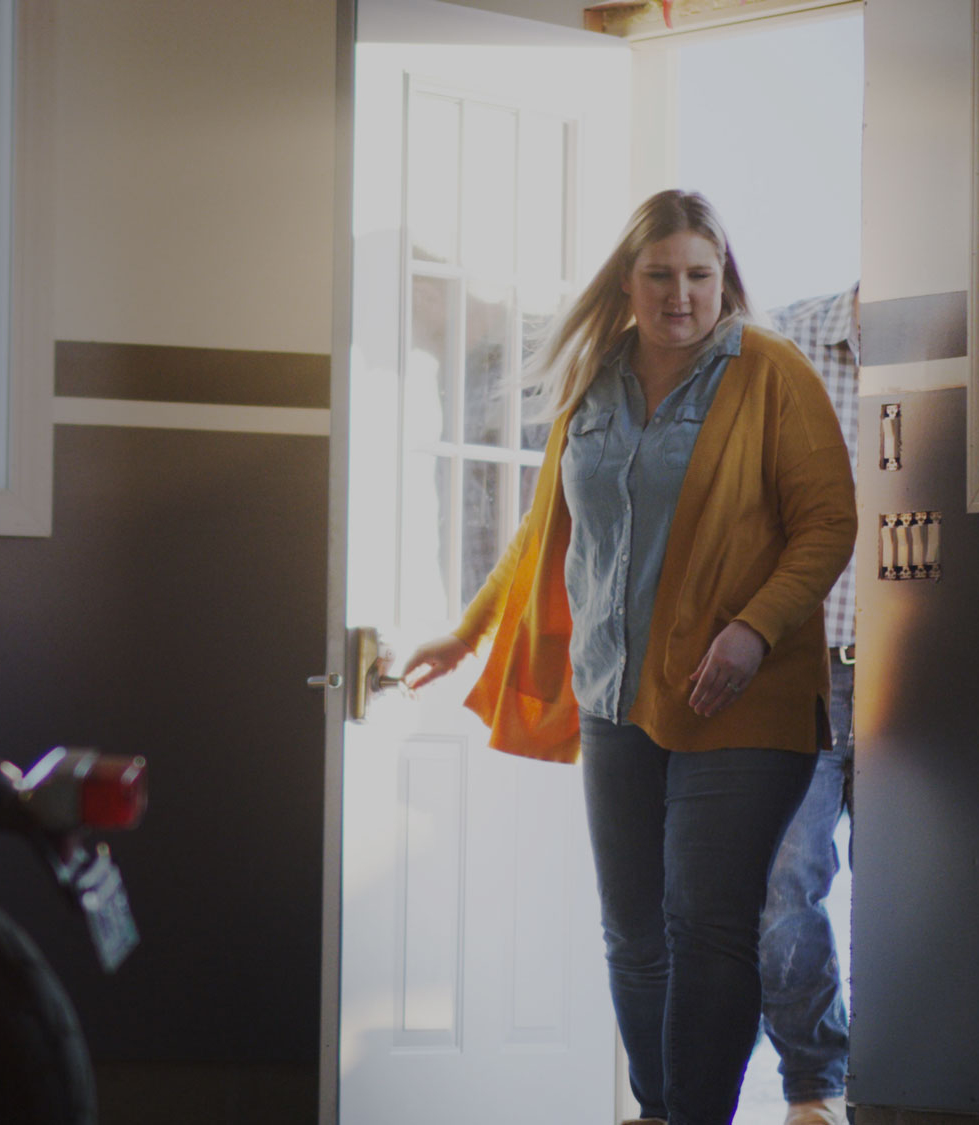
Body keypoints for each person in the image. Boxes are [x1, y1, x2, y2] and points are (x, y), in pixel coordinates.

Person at [394, 189, 856, 1125]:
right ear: (628, 281)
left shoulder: (771, 371)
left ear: (723, 276)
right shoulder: (594, 379)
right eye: (660, 275)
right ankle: (661, 1107)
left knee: (709, 924)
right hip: (613, 695)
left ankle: (694, 1116)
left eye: (700, 274)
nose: (681, 294)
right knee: (634, 933)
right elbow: (546, 529)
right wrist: (468, 629)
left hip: (740, 699)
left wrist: (753, 628)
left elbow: (828, 523)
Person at [757, 282, 860, 1125]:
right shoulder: (782, 346)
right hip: (803, 666)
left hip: (928, 672)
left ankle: (906, 1079)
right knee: (785, 882)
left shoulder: (976, 350)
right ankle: (815, 1088)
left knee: (918, 887)